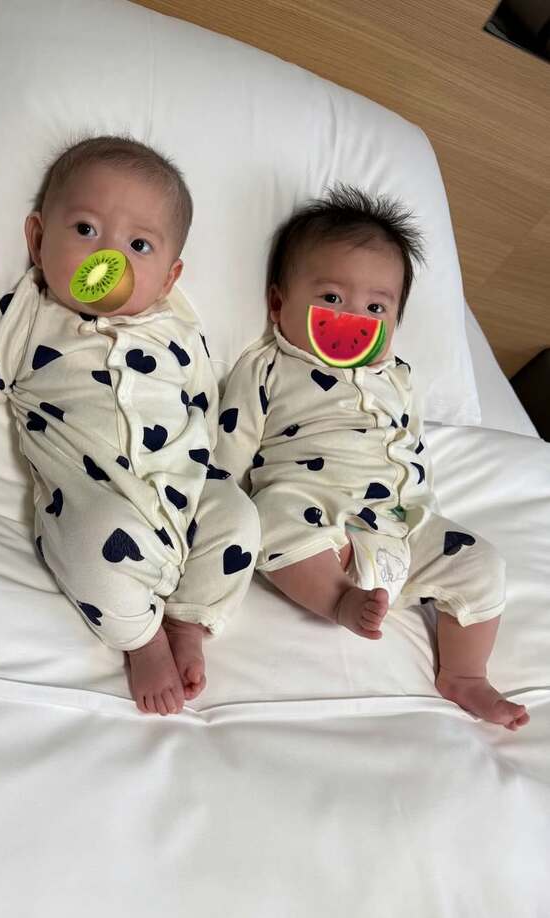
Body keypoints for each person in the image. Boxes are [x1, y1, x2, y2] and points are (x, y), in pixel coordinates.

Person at [0, 135, 259, 716]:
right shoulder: (31, 312)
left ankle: (188, 621)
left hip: (186, 491)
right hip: (93, 498)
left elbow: (204, 402)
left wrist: (219, 474)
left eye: (139, 244)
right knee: (95, 545)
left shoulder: (178, 324)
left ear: (169, 277)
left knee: (241, 519)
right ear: (37, 239)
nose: (108, 257)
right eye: (86, 229)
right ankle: (140, 639)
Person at [215, 185, 528, 730]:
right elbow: (230, 443)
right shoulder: (267, 367)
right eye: (331, 299)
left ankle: (465, 673)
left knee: (483, 564)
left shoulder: (399, 376)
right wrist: (214, 497)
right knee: (271, 519)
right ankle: (337, 600)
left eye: (375, 308)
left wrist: (422, 519)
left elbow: (411, 446)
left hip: (401, 521)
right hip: (313, 514)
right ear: (278, 304)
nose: (352, 319)